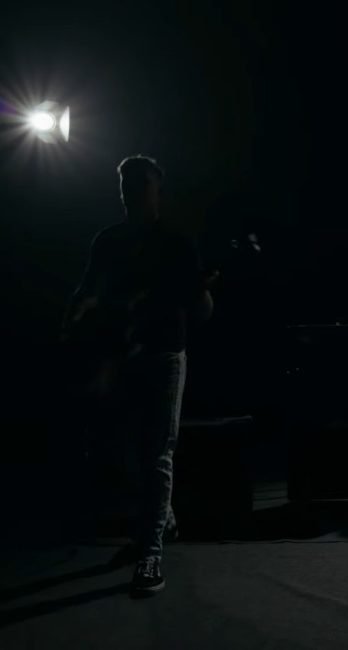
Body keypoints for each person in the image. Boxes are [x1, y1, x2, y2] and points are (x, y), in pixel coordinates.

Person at [64, 155, 213, 594]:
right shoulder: (108, 241)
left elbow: (201, 311)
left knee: (157, 453)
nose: (130, 192)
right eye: (125, 185)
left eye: (139, 185)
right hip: (122, 358)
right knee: (129, 451)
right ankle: (161, 521)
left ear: (155, 191)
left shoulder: (176, 243)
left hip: (164, 355)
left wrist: (199, 293)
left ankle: (150, 552)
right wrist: (75, 318)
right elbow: (87, 290)